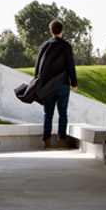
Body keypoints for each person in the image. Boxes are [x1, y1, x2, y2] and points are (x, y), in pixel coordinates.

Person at [33, 19, 78, 149]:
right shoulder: (66, 46)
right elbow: (71, 65)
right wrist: (74, 82)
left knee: (48, 114)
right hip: (63, 85)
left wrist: (37, 82)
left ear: (51, 31)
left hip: (48, 86)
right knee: (63, 113)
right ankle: (62, 140)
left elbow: (38, 66)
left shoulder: (44, 46)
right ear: (62, 31)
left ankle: (47, 141)